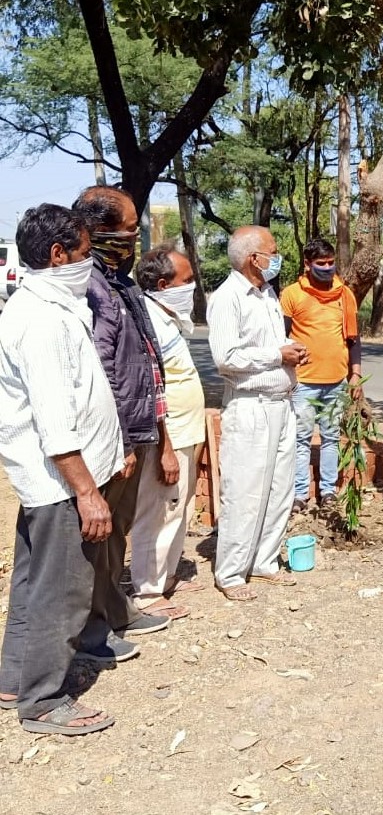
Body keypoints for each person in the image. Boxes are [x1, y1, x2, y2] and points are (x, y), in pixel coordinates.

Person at [0, 204, 124, 735]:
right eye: (83, 252)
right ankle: (44, 700)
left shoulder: (49, 306)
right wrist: (87, 492)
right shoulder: (41, 319)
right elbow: (54, 420)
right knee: (63, 590)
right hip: (61, 482)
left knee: (33, 582)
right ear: (57, 255)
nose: (89, 261)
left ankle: (14, 680)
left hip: (55, 479)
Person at [75, 185, 172, 661]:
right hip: (115, 435)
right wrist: (121, 440)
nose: (136, 235)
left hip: (137, 426)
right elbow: (103, 368)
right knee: (100, 536)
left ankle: (117, 611)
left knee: (119, 530)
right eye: (129, 227)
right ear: (98, 232)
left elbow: (144, 360)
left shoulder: (120, 280)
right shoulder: (90, 287)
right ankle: (93, 632)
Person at [208, 225, 305, 601]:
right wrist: (276, 356)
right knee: (245, 490)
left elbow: (269, 344)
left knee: (279, 488)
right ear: (254, 258)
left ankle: (265, 561)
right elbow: (225, 357)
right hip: (250, 407)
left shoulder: (266, 294)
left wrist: (290, 350)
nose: (277, 257)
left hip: (281, 405)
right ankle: (231, 571)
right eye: (273, 251)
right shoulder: (228, 298)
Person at [129, 246, 207, 619]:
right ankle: (147, 590)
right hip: (168, 439)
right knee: (158, 512)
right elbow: (153, 391)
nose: (191, 287)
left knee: (179, 509)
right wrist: (165, 448)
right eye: (186, 281)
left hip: (186, 434)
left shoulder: (168, 318)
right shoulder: (148, 324)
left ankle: (168, 575)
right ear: (163, 284)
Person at [280, 238, 362, 512]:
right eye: (320, 263)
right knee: (301, 439)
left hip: (336, 381)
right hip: (303, 381)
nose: (327, 268)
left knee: (330, 438)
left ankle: (328, 491)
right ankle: (300, 494)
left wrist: (355, 375)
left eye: (330, 263)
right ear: (307, 264)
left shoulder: (344, 294)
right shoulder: (292, 294)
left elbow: (354, 338)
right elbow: (281, 335)